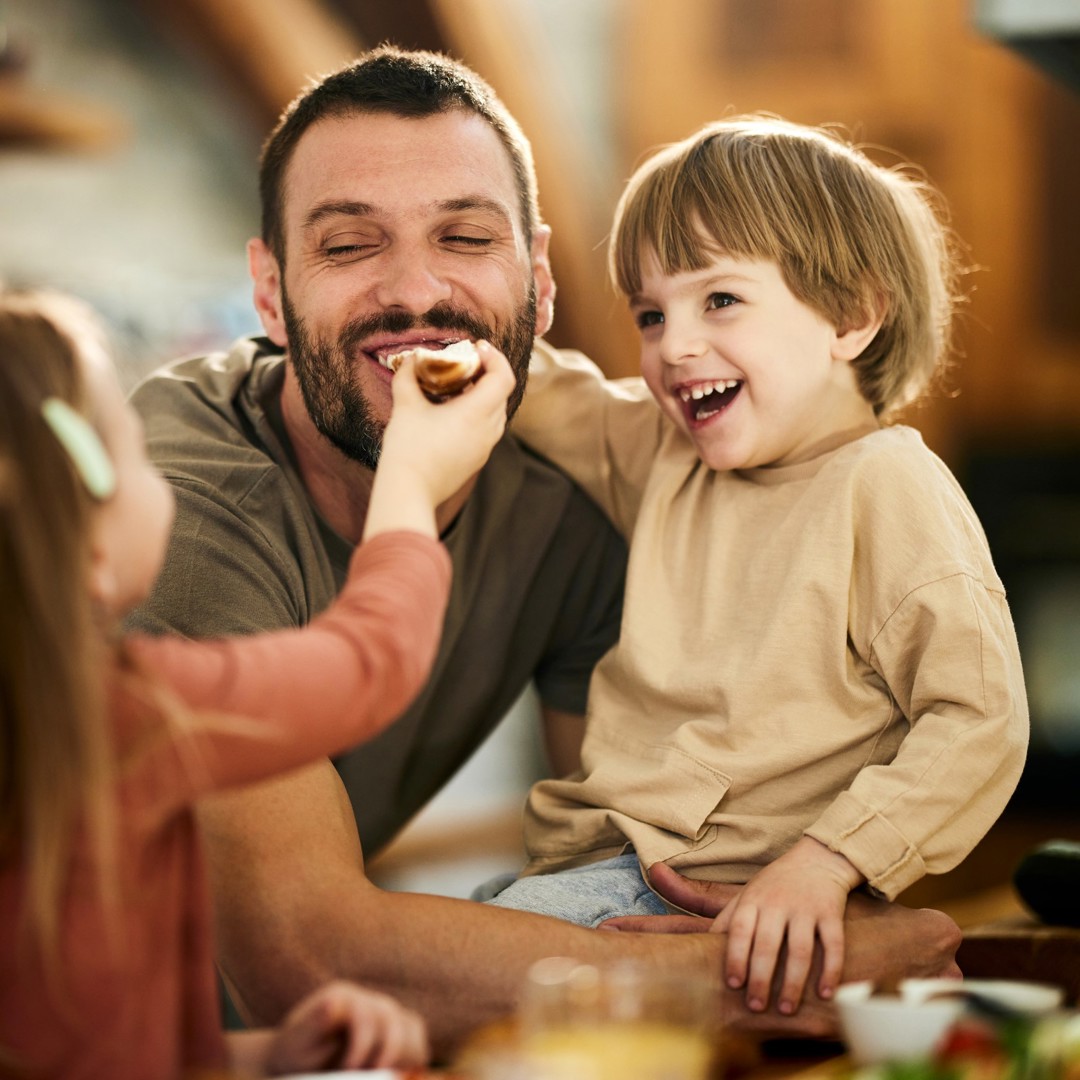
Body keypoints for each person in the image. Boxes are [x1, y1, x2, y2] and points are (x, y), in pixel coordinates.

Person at [127, 49, 964, 1058]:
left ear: (539, 279)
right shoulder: (178, 503)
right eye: (350, 244)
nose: (415, 291)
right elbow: (308, 959)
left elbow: (629, 858)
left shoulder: (582, 496)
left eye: (465, 238)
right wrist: (776, 976)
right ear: (268, 292)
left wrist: (805, 892)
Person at [485, 116, 1029, 1017]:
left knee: (444, 991)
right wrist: (466, 321)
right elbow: (540, 393)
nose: (673, 347)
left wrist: (826, 864)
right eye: (652, 314)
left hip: (732, 891)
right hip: (598, 870)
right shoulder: (666, 451)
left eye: (720, 301)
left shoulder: (886, 486)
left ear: (852, 315)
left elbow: (979, 719)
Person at [0, 286, 516, 1076]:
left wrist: (265, 1054)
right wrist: (411, 476)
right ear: (90, 545)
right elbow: (373, 660)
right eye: (139, 449)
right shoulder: (141, 712)